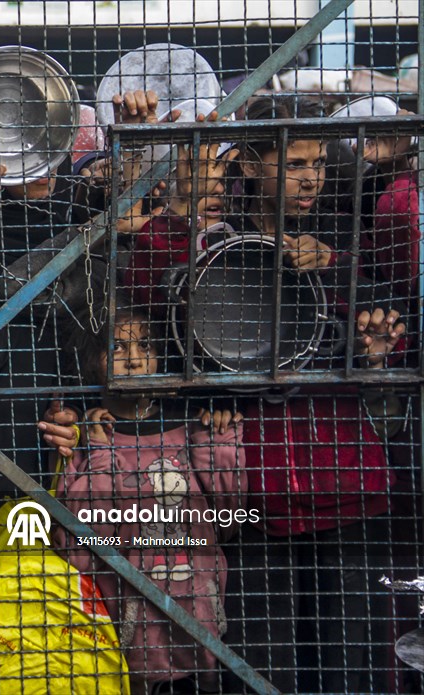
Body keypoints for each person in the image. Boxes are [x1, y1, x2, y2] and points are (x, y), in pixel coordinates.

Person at [119, 93, 407, 691]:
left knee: (350, 659)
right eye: (294, 163)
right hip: (256, 486)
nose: (310, 179)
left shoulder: (340, 239)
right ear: (249, 166)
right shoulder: (216, 242)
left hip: (342, 476)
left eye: (318, 164)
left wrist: (376, 337)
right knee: (263, 659)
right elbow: (149, 286)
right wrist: (181, 201)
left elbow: (386, 322)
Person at [46, 299, 245, 694]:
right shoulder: (83, 440)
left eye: (145, 347)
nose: (134, 361)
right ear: (91, 362)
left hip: (197, 622)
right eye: (116, 348)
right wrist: (99, 453)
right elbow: (79, 548)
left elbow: (230, 518)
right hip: (123, 635)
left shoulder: (190, 429)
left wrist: (219, 442)